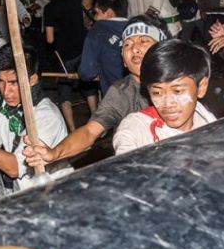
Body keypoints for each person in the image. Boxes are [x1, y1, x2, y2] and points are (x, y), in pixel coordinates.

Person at [23, 14, 166, 167]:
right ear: (123, 60)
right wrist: (54, 153)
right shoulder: (121, 92)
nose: (135, 49)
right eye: (127, 44)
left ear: (163, 48)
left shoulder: (183, 81)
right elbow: (90, 132)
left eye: (143, 41)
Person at [0, 45, 68, 191]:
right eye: (0, 81)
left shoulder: (47, 116)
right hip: (19, 193)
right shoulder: (3, 106)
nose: (5, 91)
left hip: (53, 193)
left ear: (32, 80)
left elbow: (14, 168)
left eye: (13, 83)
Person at [113, 39, 216, 154]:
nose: (167, 104)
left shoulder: (208, 121)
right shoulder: (138, 127)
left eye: (177, 91)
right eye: (157, 93)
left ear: (201, 87)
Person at [43, 0, 97, 131]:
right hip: (82, 49)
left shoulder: (49, 9)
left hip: (64, 55)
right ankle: (96, 123)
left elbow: (50, 40)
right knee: (88, 85)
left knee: (64, 93)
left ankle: (72, 130)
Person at [78, 0, 128, 95]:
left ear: (109, 13)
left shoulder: (98, 30)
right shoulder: (138, 27)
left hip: (114, 97)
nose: (94, 18)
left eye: (96, 13)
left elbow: (87, 71)